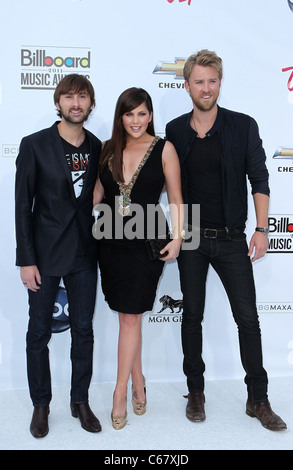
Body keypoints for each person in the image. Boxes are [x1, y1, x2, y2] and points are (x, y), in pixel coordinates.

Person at [165, 50, 287, 431]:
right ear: (186, 85)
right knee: (191, 318)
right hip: (192, 240)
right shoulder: (175, 130)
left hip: (234, 239)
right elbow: (170, 188)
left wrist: (263, 229)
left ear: (220, 83)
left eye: (212, 81)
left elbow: (260, 179)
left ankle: (258, 399)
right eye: (198, 81)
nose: (206, 88)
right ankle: (196, 392)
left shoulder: (242, 126)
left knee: (248, 320)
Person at [15, 74, 102, 437]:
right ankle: (41, 405)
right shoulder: (34, 145)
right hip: (45, 255)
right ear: (58, 103)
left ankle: (79, 400)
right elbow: (23, 206)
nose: (76, 102)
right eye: (69, 96)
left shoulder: (98, 146)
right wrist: (26, 259)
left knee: (83, 330)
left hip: (85, 252)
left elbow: (104, 190)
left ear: (91, 105)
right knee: (38, 334)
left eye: (83, 96)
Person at [93, 87, 183, 429]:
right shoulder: (106, 149)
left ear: (150, 116)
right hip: (111, 240)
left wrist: (178, 237)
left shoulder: (164, 148)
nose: (136, 120)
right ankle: (139, 379)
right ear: (120, 116)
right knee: (127, 317)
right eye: (129, 114)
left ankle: (120, 393)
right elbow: (98, 196)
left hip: (147, 240)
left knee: (130, 316)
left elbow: (175, 197)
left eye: (142, 113)